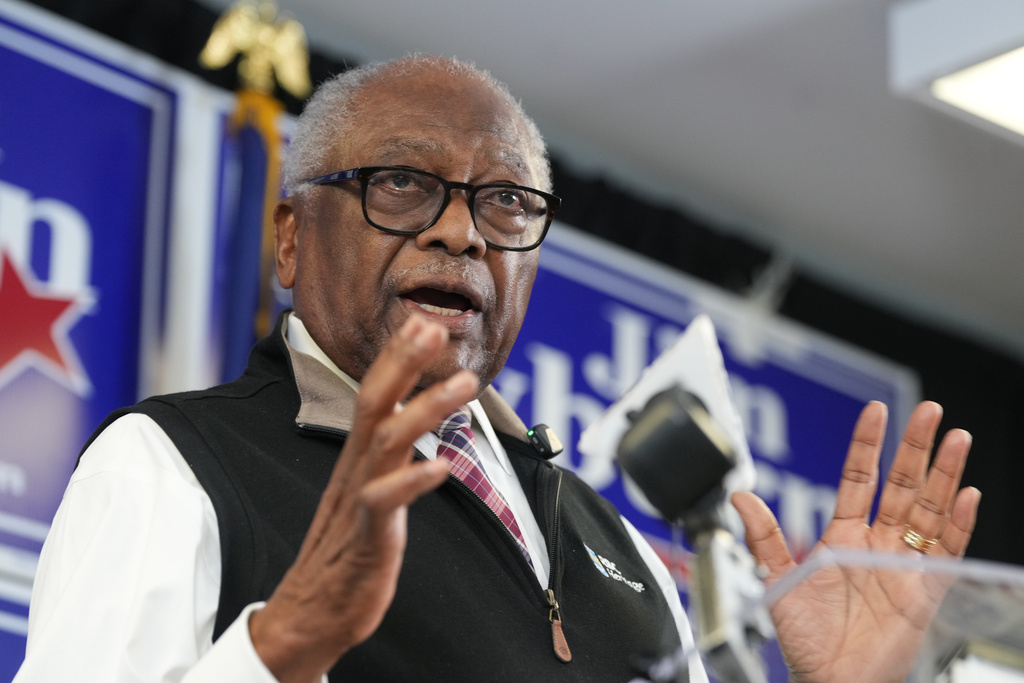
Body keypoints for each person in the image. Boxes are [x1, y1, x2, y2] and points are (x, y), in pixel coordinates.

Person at [15, 56, 979, 683]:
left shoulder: (626, 554)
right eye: (400, 183)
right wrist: (285, 642)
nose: (460, 230)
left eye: (507, 202)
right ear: (290, 242)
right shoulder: (172, 463)